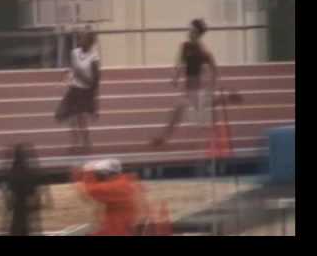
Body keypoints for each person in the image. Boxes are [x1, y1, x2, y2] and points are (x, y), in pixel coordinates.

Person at [152, 19, 243, 147]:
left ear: (197, 33)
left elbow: (214, 69)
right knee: (182, 111)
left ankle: (163, 138)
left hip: (196, 88)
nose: (189, 32)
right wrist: (176, 76)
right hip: (188, 89)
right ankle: (163, 139)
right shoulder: (185, 46)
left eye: (191, 30)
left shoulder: (203, 51)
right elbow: (180, 62)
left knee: (183, 112)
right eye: (189, 29)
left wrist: (212, 85)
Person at [72, 159, 149, 236]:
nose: (98, 177)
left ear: (106, 174)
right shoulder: (124, 182)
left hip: (118, 229)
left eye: (99, 174)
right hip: (121, 225)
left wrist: (88, 172)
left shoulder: (116, 186)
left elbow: (92, 191)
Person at [55, 28, 101, 152]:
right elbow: (74, 70)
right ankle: (75, 143)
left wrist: (94, 95)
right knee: (70, 117)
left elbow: (95, 78)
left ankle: (86, 143)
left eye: (85, 38)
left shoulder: (94, 57)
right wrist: (74, 77)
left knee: (81, 118)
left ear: (90, 42)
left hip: (85, 91)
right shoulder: (74, 53)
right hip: (74, 89)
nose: (82, 40)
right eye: (81, 38)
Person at [2, 143, 51, 236]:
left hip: (17, 211)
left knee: (17, 229)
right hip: (27, 210)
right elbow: (37, 193)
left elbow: (9, 198)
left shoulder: (12, 172)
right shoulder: (31, 173)